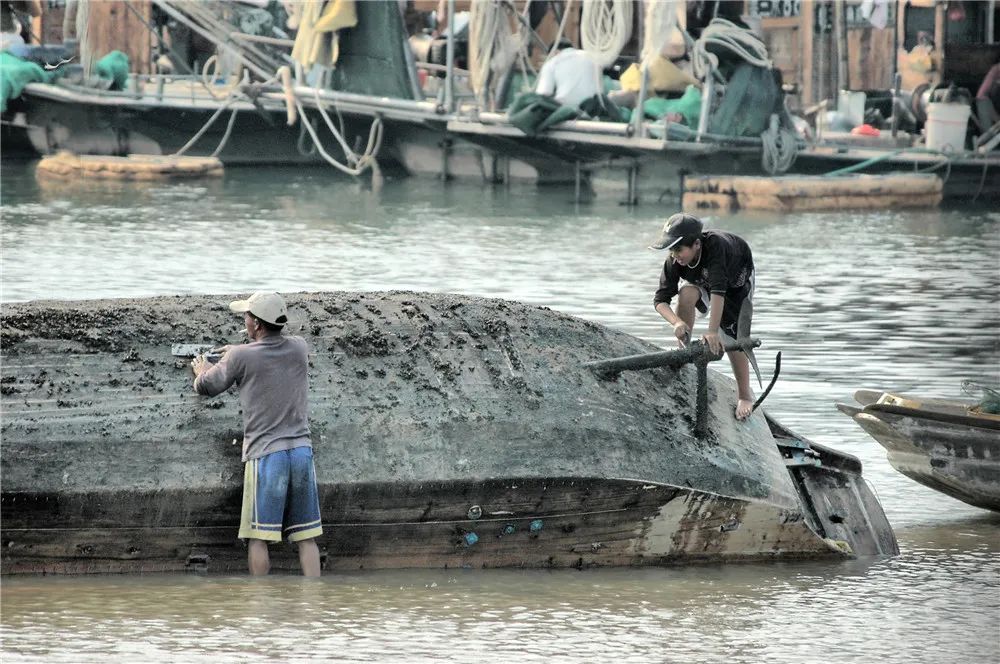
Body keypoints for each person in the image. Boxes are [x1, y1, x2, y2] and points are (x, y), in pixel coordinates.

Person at [191, 291, 322, 577]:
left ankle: (259, 598)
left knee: (258, 538)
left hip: (266, 455)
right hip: (302, 453)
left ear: (257, 324)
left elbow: (207, 387)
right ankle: (314, 595)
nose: (245, 320)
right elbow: (266, 353)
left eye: (247, 316)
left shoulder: (240, 356)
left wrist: (203, 370)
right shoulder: (299, 347)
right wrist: (239, 351)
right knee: (307, 537)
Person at [650, 213, 756, 421]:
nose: (675, 256)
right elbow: (660, 301)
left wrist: (712, 332)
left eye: (679, 250)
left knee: (730, 335)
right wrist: (677, 322)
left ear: (697, 244)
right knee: (685, 295)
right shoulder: (674, 261)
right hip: (702, 279)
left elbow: (719, 290)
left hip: (736, 282)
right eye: (671, 250)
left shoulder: (717, 246)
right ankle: (685, 352)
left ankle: (745, 395)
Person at [535, 40, 602, 110]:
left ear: (555, 52)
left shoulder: (551, 63)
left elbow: (542, 95)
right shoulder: (592, 57)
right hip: (594, 107)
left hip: (567, 108)